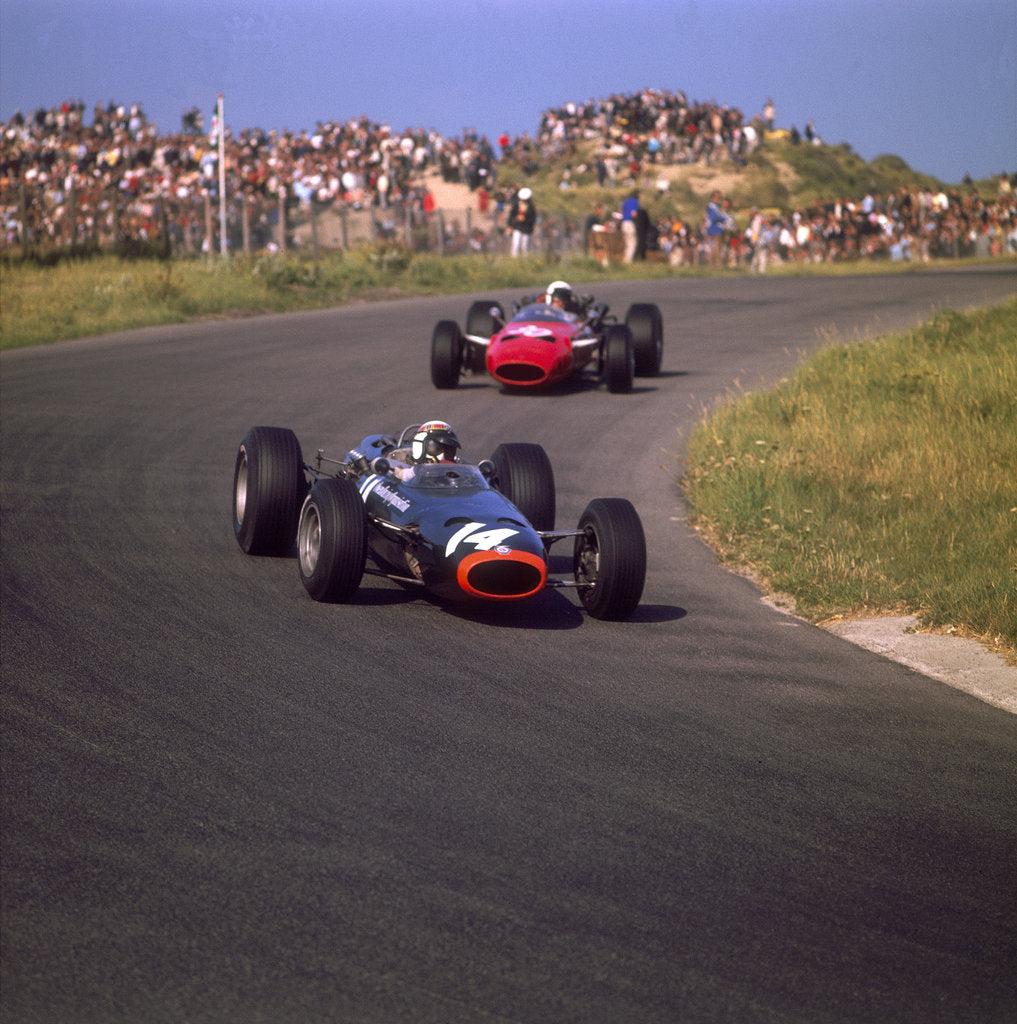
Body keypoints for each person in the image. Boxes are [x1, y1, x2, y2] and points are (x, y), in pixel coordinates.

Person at [507, 187, 536, 256]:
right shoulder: (516, 205)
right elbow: (511, 215)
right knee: (516, 244)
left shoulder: (531, 207)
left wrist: (525, 219)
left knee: (525, 246)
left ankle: (525, 259)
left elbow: (532, 219)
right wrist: (510, 225)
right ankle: (514, 258)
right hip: (517, 226)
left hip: (526, 228)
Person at [620, 189, 640, 263]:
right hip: (630, 223)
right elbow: (634, 214)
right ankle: (628, 261)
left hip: (623, 223)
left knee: (627, 242)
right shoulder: (635, 202)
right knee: (632, 243)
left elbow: (621, 211)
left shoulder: (625, 201)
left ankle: (625, 259)